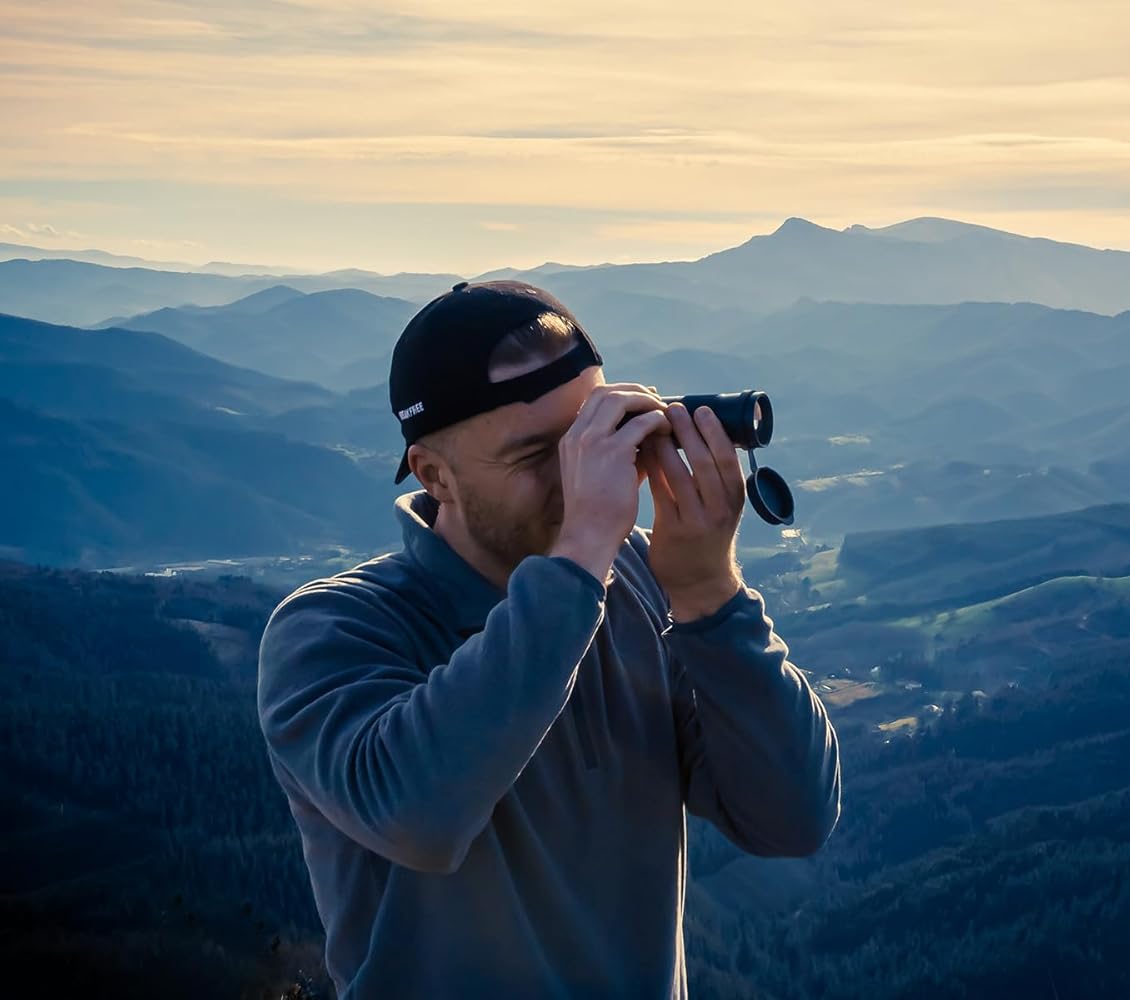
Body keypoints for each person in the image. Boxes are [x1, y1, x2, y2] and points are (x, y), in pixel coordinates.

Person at [256, 279, 841, 999]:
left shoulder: (638, 580)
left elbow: (792, 817)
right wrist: (582, 557)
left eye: (592, 437)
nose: (583, 477)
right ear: (434, 475)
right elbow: (419, 815)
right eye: (540, 456)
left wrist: (708, 594)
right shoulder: (334, 629)